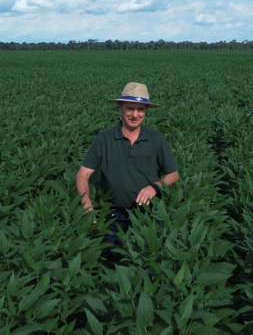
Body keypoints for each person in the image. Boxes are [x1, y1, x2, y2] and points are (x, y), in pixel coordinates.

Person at [76, 82, 179, 259]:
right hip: (113, 213)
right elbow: (83, 173)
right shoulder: (104, 139)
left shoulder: (155, 139)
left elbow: (173, 174)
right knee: (111, 259)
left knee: (146, 260)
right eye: (130, 108)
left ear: (146, 111)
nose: (135, 114)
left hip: (147, 214)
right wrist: (87, 206)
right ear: (120, 107)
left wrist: (154, 187)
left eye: (141, 109)